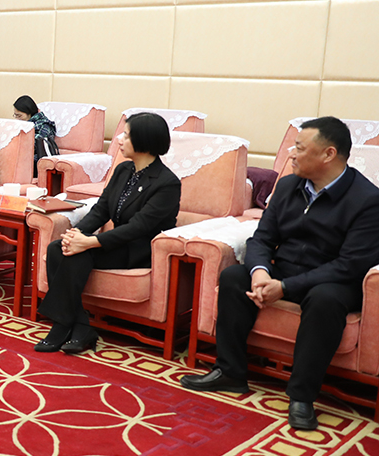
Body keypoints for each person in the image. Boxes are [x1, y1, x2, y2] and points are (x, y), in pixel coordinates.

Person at [181, 116, 379, 431]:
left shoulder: (367, 200)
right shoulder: (288, 186)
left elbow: (349, 265)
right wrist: (260, 273)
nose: (290, 153)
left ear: (328, 154)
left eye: (299, 147)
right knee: (234, 277)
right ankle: (230, 372)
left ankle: (302, 396)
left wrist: (284, 287)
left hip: (333, 281)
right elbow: (261, 239)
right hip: (283, 269)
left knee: (325, 299)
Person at [35, 112, 180, 355]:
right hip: (114, 243)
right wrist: (76, 234)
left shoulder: (167, 183)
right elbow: (101, 210)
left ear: (144, 141)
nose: (119, 139)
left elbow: (138, 228)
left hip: (138, 250)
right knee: (57, 248)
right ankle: (80, 326)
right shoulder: (123, 170)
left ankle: (62, 326)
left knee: (78, 253)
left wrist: (90, 242)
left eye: (127, 135)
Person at [12, 95, 58, 177]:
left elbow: (34, 146)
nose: (17, 119)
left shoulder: (44, 125)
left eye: (19, 116)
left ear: (29, 113)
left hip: (36, 160)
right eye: (15, 115)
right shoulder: (22, 125)